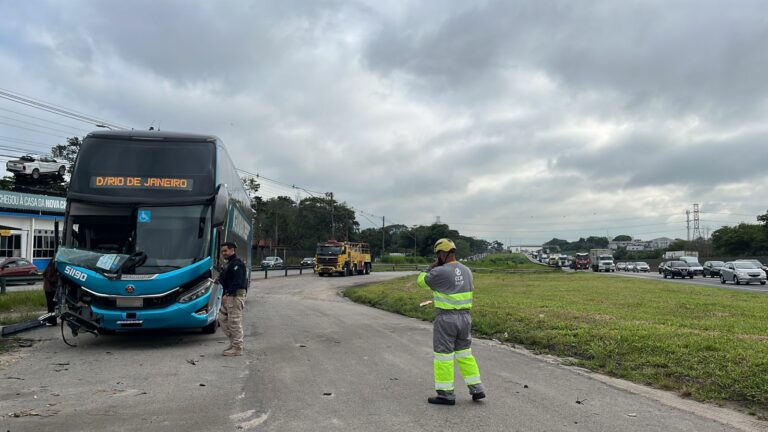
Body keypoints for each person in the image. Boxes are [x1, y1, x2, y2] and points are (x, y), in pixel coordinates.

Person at [417, 238, 486, 405]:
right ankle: (477, 388)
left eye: (438, 254)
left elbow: (421, 282)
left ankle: (446, 394)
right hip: (465, 318)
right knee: (465, 354)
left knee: (443, 357)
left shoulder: (439, 272)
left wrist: (431, 266)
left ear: (441, 253)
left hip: (446, 319)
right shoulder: (467, 270)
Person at [218, 242, 247, 356]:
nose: (223, 253)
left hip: (235, 297)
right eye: (222, 251)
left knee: (234, 322)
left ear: (232, 250)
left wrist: (228, 294)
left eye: (225, 251)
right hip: (230, 296)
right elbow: (228, 278)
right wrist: (219, 279)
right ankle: (233, 343)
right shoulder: (229, 264)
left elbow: (237, 281)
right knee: (222, 318)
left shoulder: (237, 264)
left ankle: (238, 348)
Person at [42, 259, 58, 326]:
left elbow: (45, 274)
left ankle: (52, 321)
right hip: (53, 289)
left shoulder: (51, 265)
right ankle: (53, 320)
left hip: (49, 289)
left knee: (50, 305)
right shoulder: (57, 266)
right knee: (53, 305)